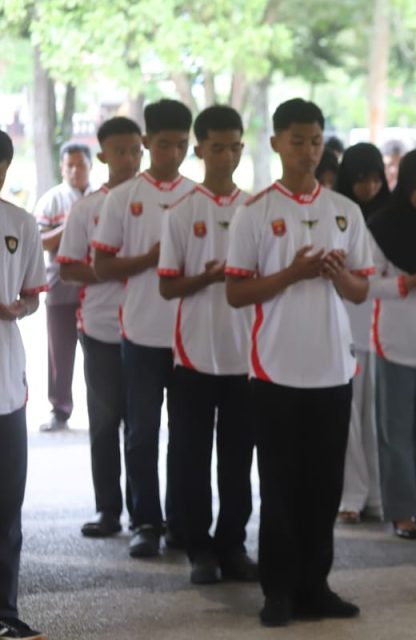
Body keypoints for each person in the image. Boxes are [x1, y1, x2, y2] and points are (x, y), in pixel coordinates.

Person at [225, 98, 372, 626]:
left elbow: (360, 291)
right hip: (276, 372)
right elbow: (236, 294)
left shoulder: (345, 211)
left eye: (315, 141)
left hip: (334, 369)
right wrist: (291, 274)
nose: (308, 152)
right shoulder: (257, 211)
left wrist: (335, 275)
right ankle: (278, 592)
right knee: (281, 486)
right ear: (276, 143)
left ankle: (317, 585)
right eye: (297, 141)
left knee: (324, 486)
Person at [156, 105, 257, 585]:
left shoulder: (256, 210)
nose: (228, 156)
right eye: (218, 147)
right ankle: (199, 549)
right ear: (200, 150)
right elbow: (167, 287)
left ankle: (233, 545)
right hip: (193, 355)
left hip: (246, 357)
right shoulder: (180, 212)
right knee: (191, 458)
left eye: (235, 146)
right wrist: (210, 277)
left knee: (238, 460)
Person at [92, 99, 195, 558]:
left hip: (191, 337)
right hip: (140, 332)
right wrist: (151, 259)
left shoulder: (198, 197)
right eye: (164, 144)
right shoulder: (123, 197)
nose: (173, 153)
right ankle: (145, 521)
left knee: (188, 435)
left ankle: (182, 520)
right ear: (148, 142)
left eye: (181, 145)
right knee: (141, 433)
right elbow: (102, 264)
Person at [56, 118, 143, 539]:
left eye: (135, 150)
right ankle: (109, 509)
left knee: (143, 428)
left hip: (151, 330)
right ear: (104, 155)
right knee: (106, 424)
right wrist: (111, 271)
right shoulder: (86, 208)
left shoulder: (163, 204)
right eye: (119, 151)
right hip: (102, 329)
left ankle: (148, 516)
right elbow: (68, 268)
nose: (128, 159)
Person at [366, 149, 416, 540]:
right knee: (395, 432)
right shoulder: (381, 226)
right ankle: (401, 512)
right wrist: (406, 283)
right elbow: (366, 285)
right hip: (393, 339)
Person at [0, 129, 49, 640]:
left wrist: (19, 307)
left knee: (6, 507)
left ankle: (5, 612)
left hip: (6, 385)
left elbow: (33, 294)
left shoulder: (19, 222)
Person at [334, 142, 390, 525]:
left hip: (384, 330)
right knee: (349, 416)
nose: (369, 187)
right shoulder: (337, 215)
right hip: (345, 327)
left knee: (377, 416)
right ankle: (351, 494)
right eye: (361, 179)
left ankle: (378, 495)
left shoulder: (393, 218)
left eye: (375, 179)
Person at [32, 142, 92, 433]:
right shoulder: (52, 200)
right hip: (60, 285)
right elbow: (39, 242)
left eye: (80, 165)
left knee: (99, 351)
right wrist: (69, 226)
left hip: (97, 287)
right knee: (60, 351)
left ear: (90, 166)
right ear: (61, 167)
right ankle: (60, 409)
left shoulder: (102, 198)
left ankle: (108, 407)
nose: (75, 170)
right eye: (69, 165)